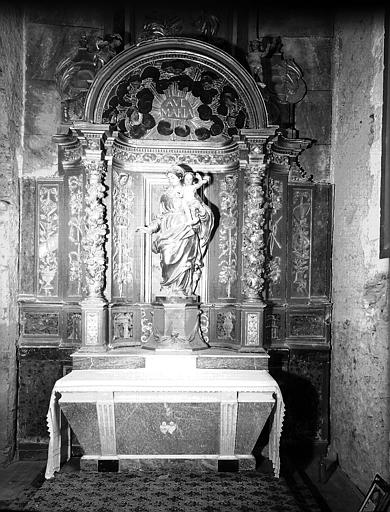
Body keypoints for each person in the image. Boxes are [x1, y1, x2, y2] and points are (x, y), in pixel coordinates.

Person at [136, 165, 213, 298]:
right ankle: (171, 289)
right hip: (168, 232)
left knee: (185, 263)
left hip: (185, 231)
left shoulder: (189, 192)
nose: (170, 179)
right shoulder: (165, 196)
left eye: (172, 177)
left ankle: (182, 290)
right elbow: (160, 217)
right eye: (168, 177)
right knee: (167, 260)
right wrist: (150, 228)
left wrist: (199, 209)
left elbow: (203, 211)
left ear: (180, 177)